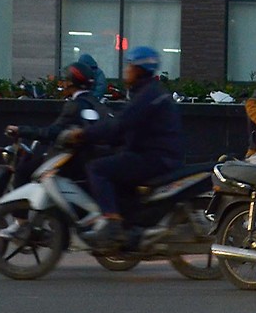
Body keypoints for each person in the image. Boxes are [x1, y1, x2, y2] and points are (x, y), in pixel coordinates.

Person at [64, 46, 185, 250]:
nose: (125, 70)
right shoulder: (148, 92)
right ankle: (130, 225)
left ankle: (112, 224)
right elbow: (127, 129)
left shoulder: (147, 96)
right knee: (114, 165)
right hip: (156, 154)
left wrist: (84, 134)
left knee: (97, 168)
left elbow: (120, 124)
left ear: (139, 69)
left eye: (129, 66)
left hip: (155, 158)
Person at [0, 61, 106, 239]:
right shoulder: (97, 104)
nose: (62, 84)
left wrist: (21, 130)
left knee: (23, 170)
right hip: (89, 161)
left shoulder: (74, 105)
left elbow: (52, 133)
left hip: (69, 161)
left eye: (65, 80)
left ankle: (20, 223)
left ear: (71, 82)